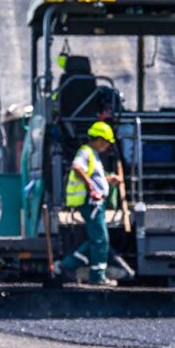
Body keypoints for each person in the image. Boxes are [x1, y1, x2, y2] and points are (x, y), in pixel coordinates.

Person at [55, 121, 122, 286]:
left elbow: (92, 175)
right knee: (100, 239)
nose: (107, 146)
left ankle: (66, 265)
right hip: (91, 202)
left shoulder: (93, 155)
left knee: (95, 239)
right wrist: (90, 186)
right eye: (106, 142)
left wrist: (107, 180)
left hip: (93, 202)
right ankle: (97, 276)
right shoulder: (85, 152)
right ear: (99, 139)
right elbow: (77, 167)